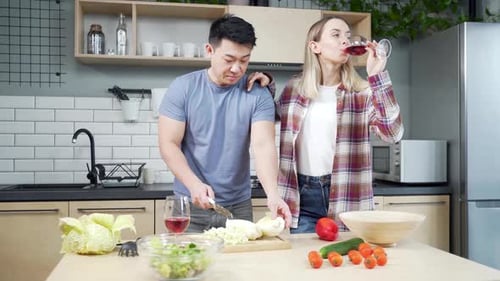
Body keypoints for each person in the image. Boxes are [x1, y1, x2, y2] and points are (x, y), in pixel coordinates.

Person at [158, 14, 292, 232]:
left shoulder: (258, 94)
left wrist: (273, 195)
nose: (237, 69)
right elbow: (168, 144)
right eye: (229, 60)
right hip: (190, 206)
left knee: (240, 266)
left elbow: (263, 146)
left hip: (238, 207)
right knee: (187, 265)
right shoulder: (183, 88)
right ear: (209, 51)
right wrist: (194, 185)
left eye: (244, 60)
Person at [276, 16, 404, 233]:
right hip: (302, 198)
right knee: (306, 263)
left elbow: (393, 134)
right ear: (314, 46)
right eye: (336, 35)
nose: (345, 41)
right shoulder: (293, 90)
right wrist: (263, 84)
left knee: (349, 264)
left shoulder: (362, 93)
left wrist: (377, 76)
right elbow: (264, 120)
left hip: (348, 196)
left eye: (347, 35)